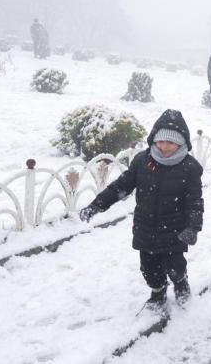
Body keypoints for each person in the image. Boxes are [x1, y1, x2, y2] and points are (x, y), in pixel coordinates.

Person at [78, 110, 204, 313]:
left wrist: (193, 227)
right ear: (154, 140)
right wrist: (96, 205)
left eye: (171, 143)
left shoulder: (189, 168)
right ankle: (158, 293)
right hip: (145, 227)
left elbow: (194, 201)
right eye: (160, 142)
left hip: (175, 229)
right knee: (149, 268)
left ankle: (181, 283)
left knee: (175, 265)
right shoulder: (142, 161)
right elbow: (121, 186)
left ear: (181, 144)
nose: (164, 147)